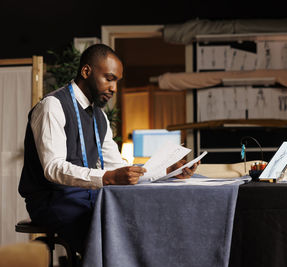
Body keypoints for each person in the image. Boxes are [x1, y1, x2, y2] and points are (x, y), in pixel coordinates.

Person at [18, 44, 199, 261]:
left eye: (116, 82)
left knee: (141, 220)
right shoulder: (52, 106)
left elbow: (116, 167)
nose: (114, 88)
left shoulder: (99, 117)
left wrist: (167, 171)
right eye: (109, 78)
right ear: (86, 72)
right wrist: (107, 177)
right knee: (113, 231)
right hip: (52, 200)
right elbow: (53, 168)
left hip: (88, 196)